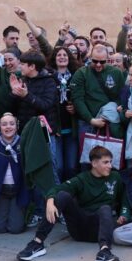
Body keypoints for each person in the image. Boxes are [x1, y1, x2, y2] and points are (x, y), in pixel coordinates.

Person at [16, 146, 124, 261]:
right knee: (62, 195)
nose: (110, 165)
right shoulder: (82, 179)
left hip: (99, 230)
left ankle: (104, 252)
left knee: (105, 208)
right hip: (79, 228)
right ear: (94, 163)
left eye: (110, 162)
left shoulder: (115, 177)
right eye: (106, 162)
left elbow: (124, 200)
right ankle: (37, 243)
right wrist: (50, 201)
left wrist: (124, 215)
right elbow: (57, 189)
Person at [69, 43, 126, 142]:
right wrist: (91, 120)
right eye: (95, 61)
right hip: (87, 122)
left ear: (108, 59)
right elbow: (78, 99)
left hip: (110, 122)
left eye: (102, 62)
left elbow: (121, 95)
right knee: (87, 156)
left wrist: (117, 108)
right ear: (90, 57)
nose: (98, 64)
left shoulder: (116, 72)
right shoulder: (81, 73)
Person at [51, 45, 80, 180]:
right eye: (59, 55)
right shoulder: (49, 78)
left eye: (65, 55)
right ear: (54, 58)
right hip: (56, 129)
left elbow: (82, 99)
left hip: (71, 129)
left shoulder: (76, 77)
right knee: (58, 167)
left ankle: (70, 197)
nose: (62, 57)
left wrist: (75, 108)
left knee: (71, 167)